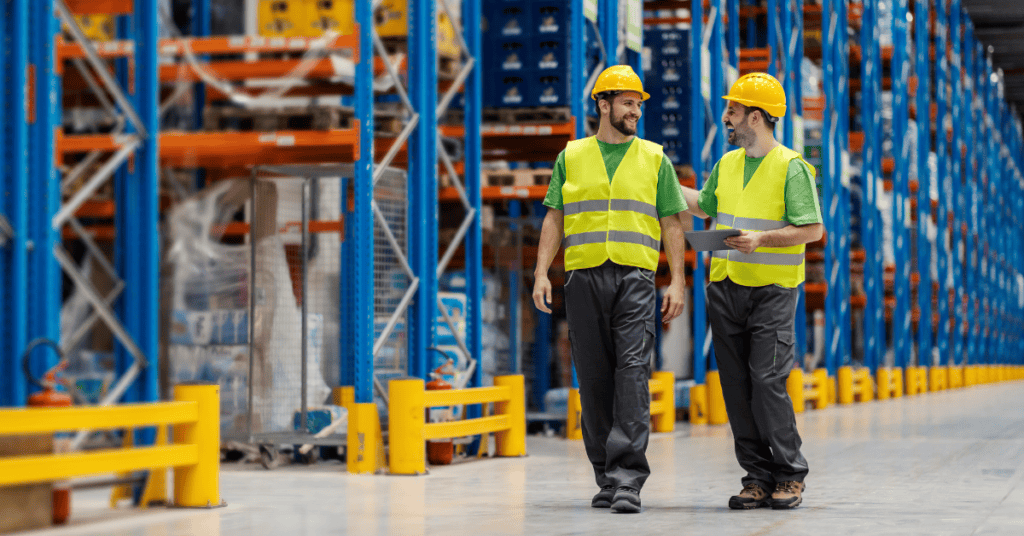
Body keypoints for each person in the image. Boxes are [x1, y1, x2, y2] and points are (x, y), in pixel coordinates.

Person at [532, 65, 688, 514]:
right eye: (627, 103)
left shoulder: (655, 158)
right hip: (582, 278)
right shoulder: (572, 156)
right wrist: (543, 272)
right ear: (603, 104)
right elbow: (554, 216)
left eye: (638, 103)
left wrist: (676, 280)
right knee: (595, 379)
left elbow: (671, 223)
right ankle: (605, 474)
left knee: (633, 375)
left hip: (635, 278)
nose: (635, 110)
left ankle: (627, 479)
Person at [679, 72, 823, 510]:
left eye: (732, 110)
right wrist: (662, 182)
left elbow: (813, 229)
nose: (726, 117)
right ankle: (757, 477)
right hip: (725, 286)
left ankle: (790, 474)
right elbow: (705, 206)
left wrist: (762, 240)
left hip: (773, 291)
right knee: (737, 386)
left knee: (767, 381)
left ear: (755, 117)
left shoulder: (792, 167)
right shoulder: (727, 164)